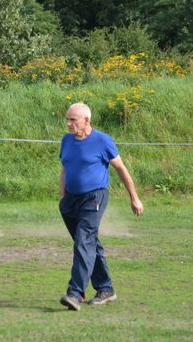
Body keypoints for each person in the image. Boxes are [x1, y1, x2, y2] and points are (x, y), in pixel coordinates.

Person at [58, 103, 144, 311]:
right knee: (89, 244)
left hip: (94, 197)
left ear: (86, 121)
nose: (69, 124)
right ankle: (106, 289)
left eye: (73, 120)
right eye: (67, 119)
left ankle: (75, 293)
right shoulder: (66, 140)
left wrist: (134, 198)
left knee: (83, 241)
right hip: (70, 200)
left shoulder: (102, 141)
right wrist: (62, 197)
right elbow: (64, 168)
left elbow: (121, 169)